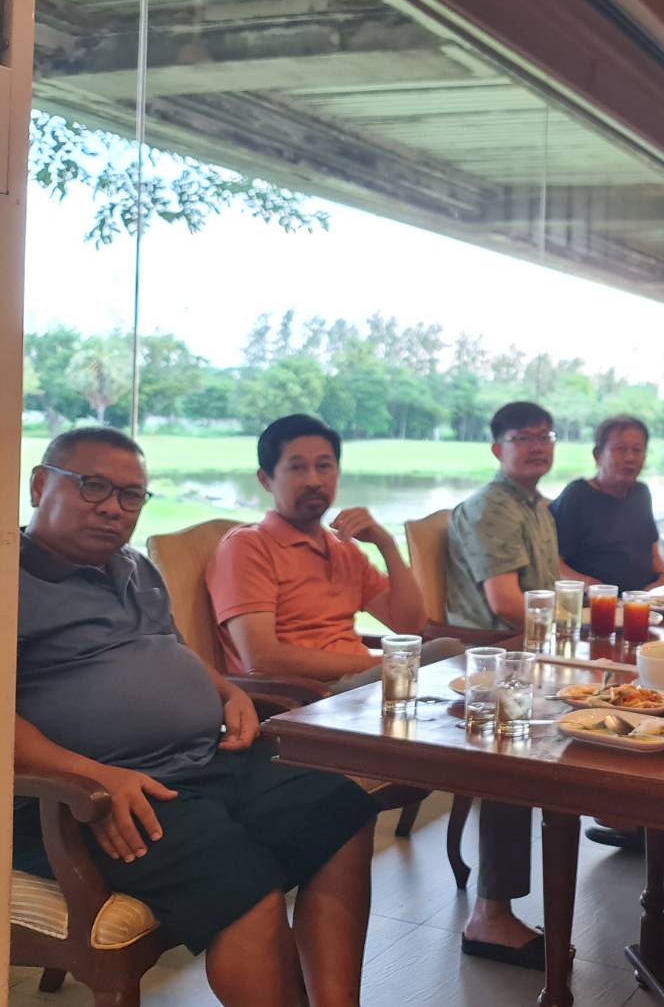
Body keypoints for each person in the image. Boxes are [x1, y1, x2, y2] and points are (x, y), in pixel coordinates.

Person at [16, 427, 377, 1005]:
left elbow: (171, 650)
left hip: (202, 760)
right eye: (92, 486)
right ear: (39, 485)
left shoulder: (134, 567)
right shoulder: (10, 580)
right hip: (93, 795)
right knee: (240, 882)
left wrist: (229, 694)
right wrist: (96, 777)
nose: (113, 507)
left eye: (130, 495)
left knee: (339, 809)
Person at [207, 415, 460, 692]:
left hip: (357, 686)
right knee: (447, 655)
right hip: (307, 696)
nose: (314, 481)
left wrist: (386, 545)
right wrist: (384, 664)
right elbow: (262, 658)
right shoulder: (247, 546)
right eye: (297, 468)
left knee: (449, 651)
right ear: (266, 480)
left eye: (324, 466)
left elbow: (411, 627)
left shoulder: (342, 547)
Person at [445, 402, 564, 968]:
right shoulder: (492, 508)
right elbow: (507, 605)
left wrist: (611, 603)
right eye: (523, 438)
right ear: (498, 449)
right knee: (516, 738)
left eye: (545, 436)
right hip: (490, 657)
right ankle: (490, 915)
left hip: (530, 645)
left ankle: (627, 816)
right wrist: (575, 632)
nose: (537, 446)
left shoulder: (535, 504)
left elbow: (555, 582)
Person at [549, 415, 664, 591]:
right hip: (598, 600)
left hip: (644, 598)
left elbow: (653, 553)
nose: (630, 458)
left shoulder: (641, 492)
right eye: (620, 449)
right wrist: (593, 586)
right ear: (598, 455)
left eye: (637, 450)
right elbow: (553, 564)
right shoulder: (577, 496)